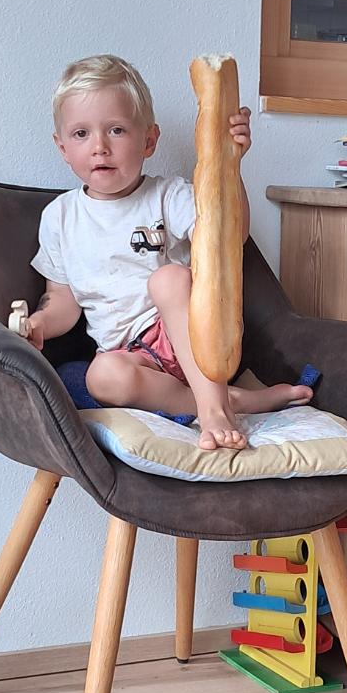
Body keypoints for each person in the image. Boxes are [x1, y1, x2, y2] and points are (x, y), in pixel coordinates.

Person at [22, 55, 313, 451]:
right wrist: (39, 324)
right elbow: (63, 302)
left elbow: (230, 237)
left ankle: (214, 410)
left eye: (116, 130)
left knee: (169, 278)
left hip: (191, 338)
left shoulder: (168, 195)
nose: (99, 147)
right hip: (133, 359)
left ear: (149, 140)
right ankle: (234, 401)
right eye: (81, 134)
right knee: (101, 376)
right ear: (62, 148)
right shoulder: (59, 218)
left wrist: (230, 164)